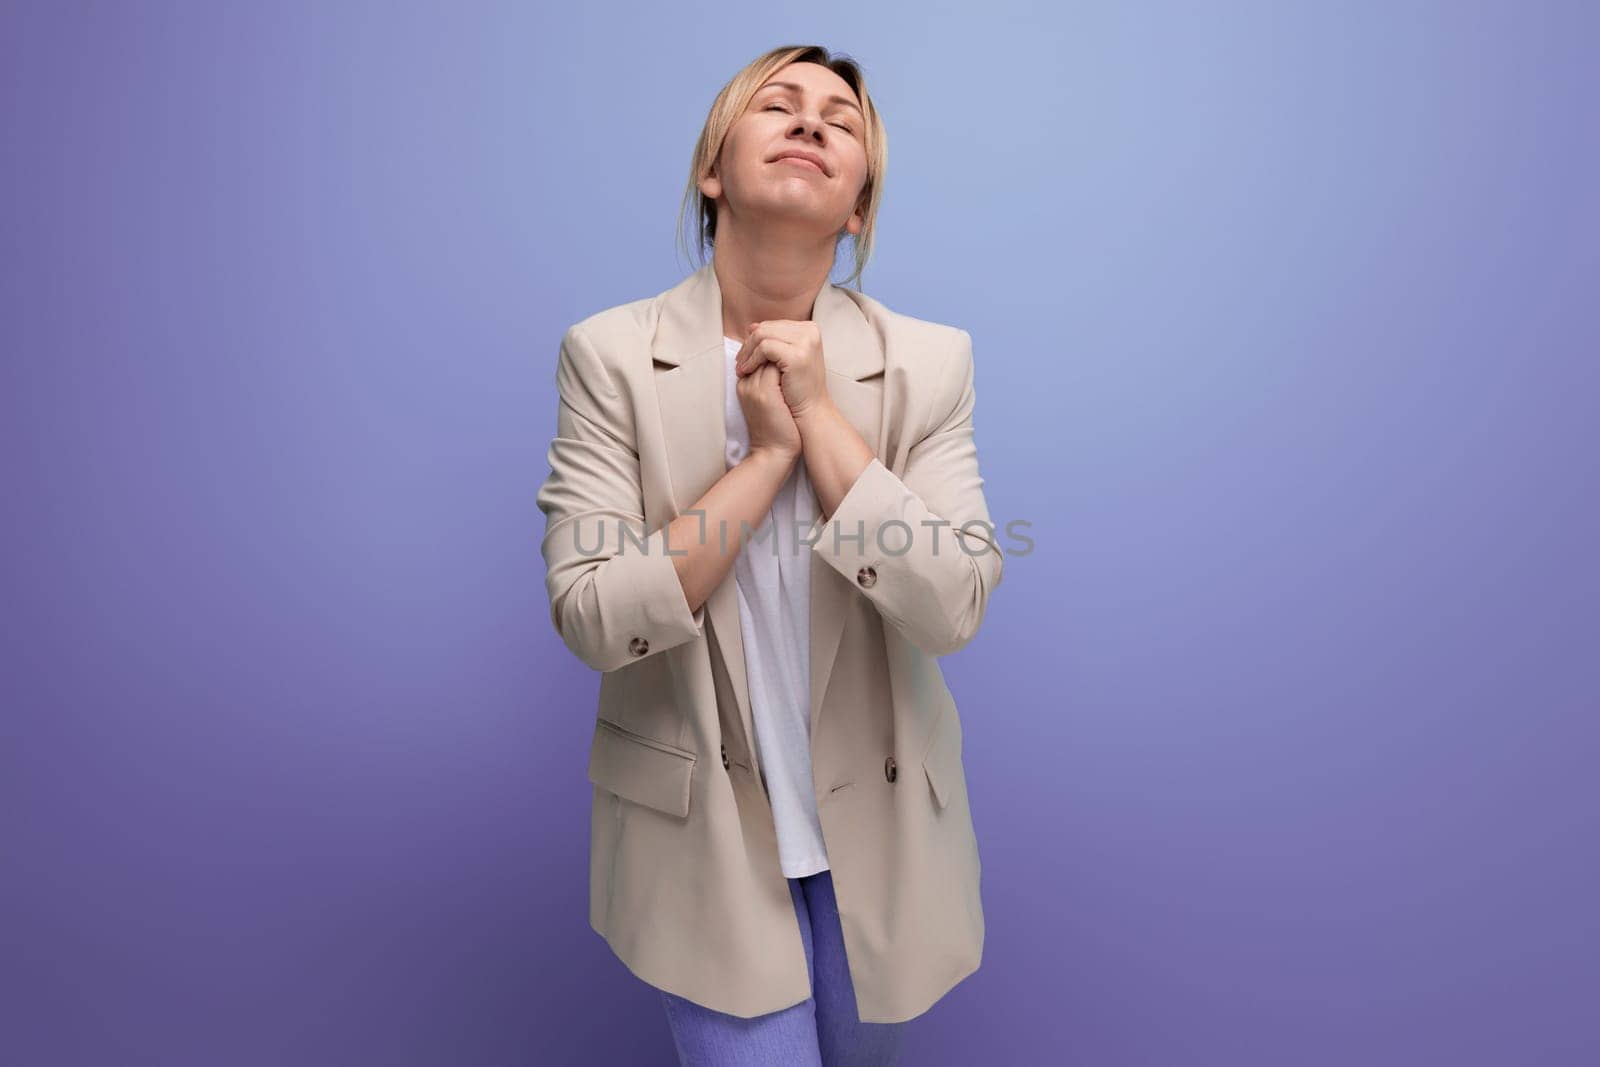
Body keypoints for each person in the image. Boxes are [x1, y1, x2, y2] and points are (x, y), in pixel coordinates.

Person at [537, 43, 1004, 1066]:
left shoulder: (929, 363)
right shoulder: (610, 356)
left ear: (859, 209)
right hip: (695, 836)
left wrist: (822, 421)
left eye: (840, 120)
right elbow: (594, 612)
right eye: (778, 106)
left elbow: (952, 601)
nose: (811, 124)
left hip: (880, 838)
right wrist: (765, 460)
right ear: (713, 170)